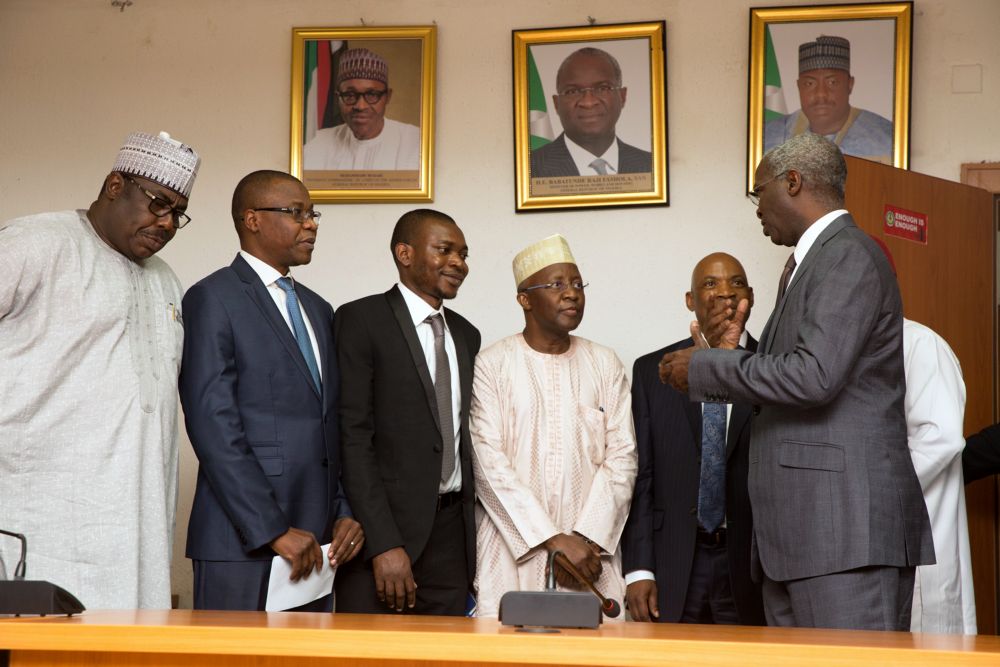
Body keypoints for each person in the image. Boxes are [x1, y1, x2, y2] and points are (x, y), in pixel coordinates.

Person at [659, 132, 933, 631]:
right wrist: (728, 356)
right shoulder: (808, 263)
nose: (758, 208)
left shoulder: (848, 254)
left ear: (792, 182)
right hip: (800, 542)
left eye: (758, 192)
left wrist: (706, 368)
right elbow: (789, 381)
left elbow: (813, 377)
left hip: (843, 539)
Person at [0, 130, 200, 609]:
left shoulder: (166, 281)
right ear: (115, 185)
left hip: (138, 522)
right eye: (158, 203)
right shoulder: (35, 243)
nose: (167, 222)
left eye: (177, 212)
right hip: (41, 514)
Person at [180, 170, 362, 611]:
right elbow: (213, 427)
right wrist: (273, 529)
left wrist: (342, 511)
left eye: (312, 214)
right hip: (242, 542)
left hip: (317, 546)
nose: (311, 224)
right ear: (252, 219)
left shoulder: (319, 309)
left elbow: (328, 426)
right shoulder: (212, 298)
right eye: (296, 213)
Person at [470, 234, 637, 619]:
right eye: (557, 284)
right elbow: (488, 463)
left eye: (578, 285)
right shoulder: (493, 365)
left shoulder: (604, 363)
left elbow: (623, 457)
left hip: (593, 555)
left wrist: (584, 539)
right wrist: (553, 539)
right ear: (524, 299)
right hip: (513, 550)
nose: (572, 294)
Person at [335, 209, 480, 615]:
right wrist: (384, 544)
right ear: (404, 253)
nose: (459, 263)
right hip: (383, 533)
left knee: (446, 659)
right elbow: (353, 436)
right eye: (445, 250)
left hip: (452, 537)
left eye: (464, 254)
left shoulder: (467, 334)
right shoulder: (361, 320)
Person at [622, 252, 765, 626]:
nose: (724, 293)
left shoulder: (775, 370)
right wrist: (639, 569)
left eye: (736, 283)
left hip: (752, 566)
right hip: (675, 559)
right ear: (690, 300)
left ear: (750, 295)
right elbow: (641, 476)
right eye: (710, 283)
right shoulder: (652, 371)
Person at [869, 236, 976, 633]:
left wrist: (871, 490)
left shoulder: (921, 344)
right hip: (877, 540)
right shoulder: (853, 348)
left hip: (921, 528)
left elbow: (942, 437)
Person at [764, 36, 893, 164]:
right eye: (809, 84)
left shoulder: (887, 139)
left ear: (850, 84)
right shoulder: (768, 138)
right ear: (799, 87)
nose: (821, 94)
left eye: (832, 82)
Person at [530, 47, 652, 178]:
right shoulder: (529, 169)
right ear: (556, 104)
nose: (588, 102)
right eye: (572, 91)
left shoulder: (653, 166)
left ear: (622, 96)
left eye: (603, 88)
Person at [303, 47, 420, 171]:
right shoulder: (317, 144)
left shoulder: (416, 143)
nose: (360, 106)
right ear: (338, 98)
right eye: (350, 95)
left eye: (371, 94)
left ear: (387, 97)